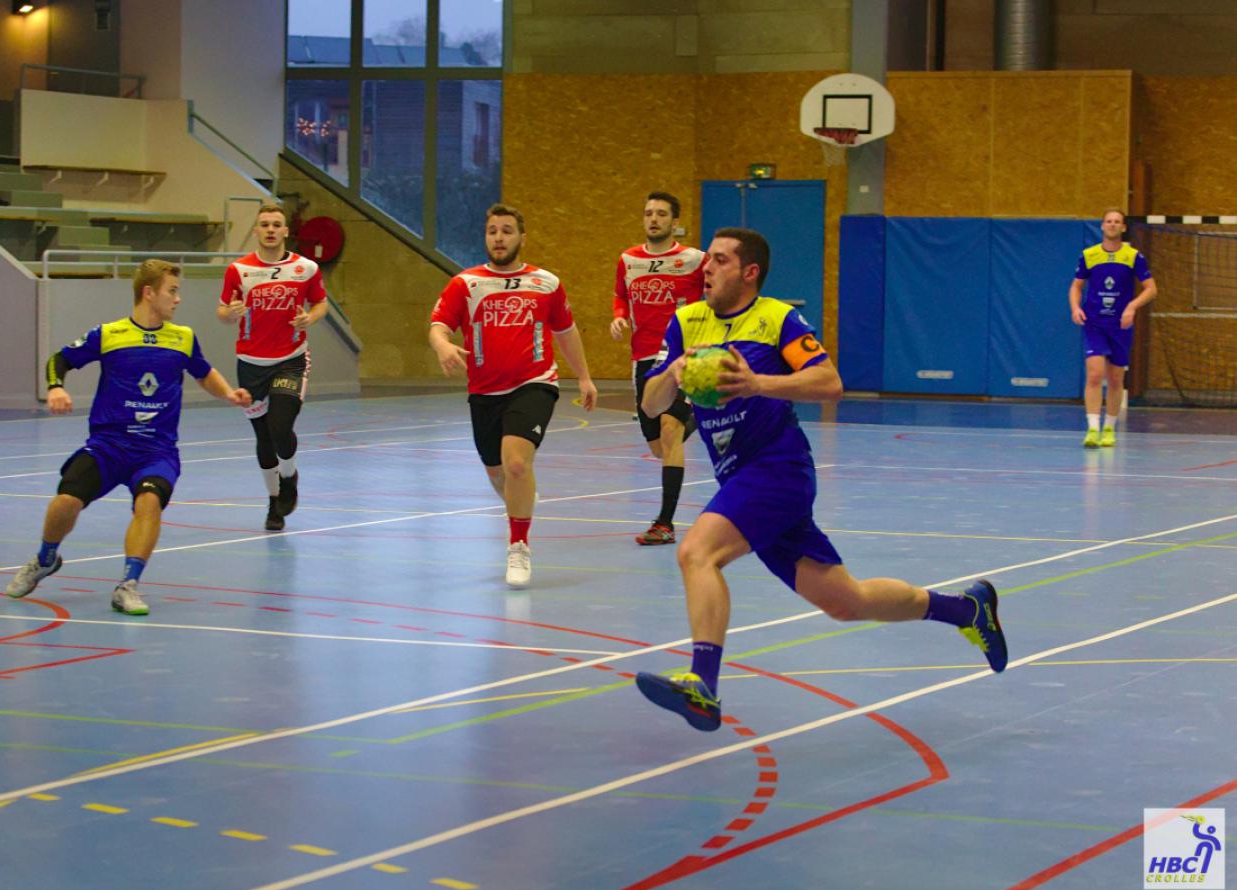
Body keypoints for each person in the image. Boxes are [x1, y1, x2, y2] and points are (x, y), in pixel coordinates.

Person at [634, 228, 1008, 732]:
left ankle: (703, 685)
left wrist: (757, 383)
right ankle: (966, 610)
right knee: (845, 602)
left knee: (696, 552)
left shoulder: (777, 319)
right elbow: (651, 405)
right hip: (739, 479)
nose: (707, 268)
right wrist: (673, 371)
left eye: (720, 261)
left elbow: (830, 384)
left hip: (778, 468)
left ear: (750, 273)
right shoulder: (686, 322)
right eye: (708, 260)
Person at [5, 260, 251, 614]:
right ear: (149, 293)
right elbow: (59, 359)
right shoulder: (109, 334)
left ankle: (128, 584)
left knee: (148, 503)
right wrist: (56, 387)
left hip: (156, 451)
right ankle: (45, 558)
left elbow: (203, 371)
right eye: (172, 290)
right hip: (108, 447)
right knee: (65, 501)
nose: (178, 299)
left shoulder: (183, 337)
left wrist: (228, 393)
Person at [429, 203, 599, 587]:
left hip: (534, 383)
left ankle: (519, 547)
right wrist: (442, 345)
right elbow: (438, 325)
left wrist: (584, 377)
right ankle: (520, 501)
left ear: (522, 237)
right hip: (485, 391)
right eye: (493, 231)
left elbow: (566, 332)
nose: (499, 238)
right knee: (498, 470)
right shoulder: (466, 284)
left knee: (517, 463)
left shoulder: (546, 283)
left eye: (507, 231)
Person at [218, 204, 329, 531]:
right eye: (264, 224)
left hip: (290, 359)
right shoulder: (239, 270)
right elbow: (222, 311)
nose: (270, 229)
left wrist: (311, 317)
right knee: (263, 437)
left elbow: (320, 301)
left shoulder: (305, 268)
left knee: (281, 425)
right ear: (256, 231)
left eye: (276, 224)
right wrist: (232, 313)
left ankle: (289, 476)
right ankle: (273, 502)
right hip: (251, 365)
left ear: (285, 231)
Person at [610, 191, 705, 545]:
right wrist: (619, 318)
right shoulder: (628, 260)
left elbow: (718, 291)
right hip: (645, 359)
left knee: (670, 429)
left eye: (662, 214)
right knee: (657, 446)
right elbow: (621, 296)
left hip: (682, 356)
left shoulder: (695, 260)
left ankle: (664, 523)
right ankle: (705, 417)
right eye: (648, 213)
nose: (654, 219)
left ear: (674, 222)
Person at [1069, 208, 1157, 448]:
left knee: (1116, 379)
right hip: (1094, 323)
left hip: (1120, 325)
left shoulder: (1133, 256)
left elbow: (1151, 289)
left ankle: (1109, 427)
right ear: (1102, 226)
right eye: (1108, 221)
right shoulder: (1089, 255)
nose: (1112, 224)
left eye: (1117, 221)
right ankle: (1092, 429)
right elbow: (1076, 286)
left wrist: (1132, 307)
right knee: (1095, 373)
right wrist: (1075, 307)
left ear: (1124, 227)